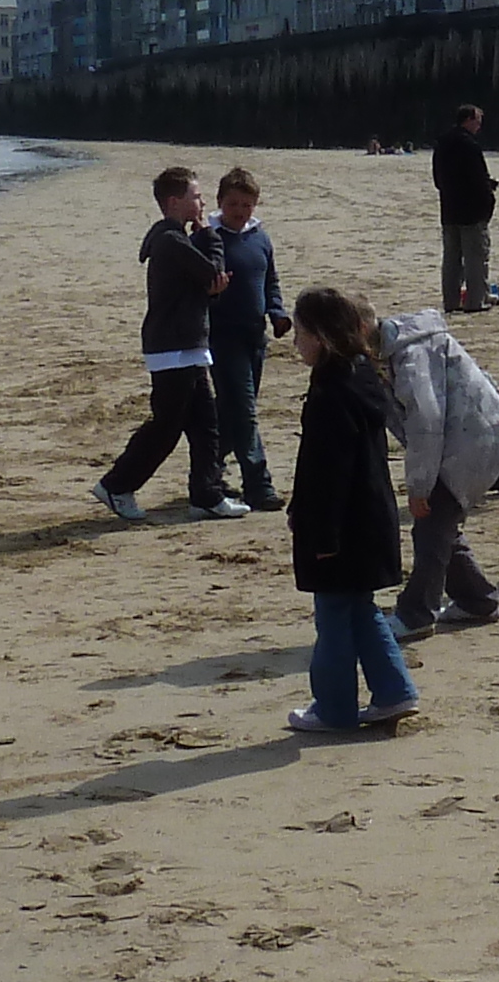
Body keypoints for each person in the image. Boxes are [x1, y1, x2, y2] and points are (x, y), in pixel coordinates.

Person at [283, 287, 416, 732]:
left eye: (299, 332)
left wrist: (321, 536)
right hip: (371, 518)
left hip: (343, 529)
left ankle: (334, 707)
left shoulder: (332, 393)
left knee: (335, 617)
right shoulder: (361, 376)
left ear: (320, 336)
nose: (295, 341)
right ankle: (394, 692)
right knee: (361, 609)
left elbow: (329, 473)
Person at [93, 166, 248, 524]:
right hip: (172, 346)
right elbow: (214, 274)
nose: (202, 202)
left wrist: (211, 281)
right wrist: (209, 234)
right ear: (175, 201)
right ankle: (117, 485)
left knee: (206, 424)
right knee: (166, 426)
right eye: (196, 196)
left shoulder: (174, 239)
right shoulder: (171, 240)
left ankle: (207, 495)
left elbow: (207, 283)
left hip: (186, 343)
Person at [380, 306, 499, 636]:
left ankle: (416, 613)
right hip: (471, 438)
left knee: (430, 528)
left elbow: (426, 425)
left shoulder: (409, 355)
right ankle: (478, 599)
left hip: (468, 445)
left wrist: (419, 487)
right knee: (444, 527)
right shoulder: (411, 343)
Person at [208, 167, 282, 515]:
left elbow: (270, 282)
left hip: (256, 335)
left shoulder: (260, 238)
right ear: (220, 202)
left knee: (231, 411)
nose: (240, 211)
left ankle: (209, 472)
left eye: (247, 204)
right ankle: (259, 484)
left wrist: (277, 312)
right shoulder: (209, 238)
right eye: (234, 203)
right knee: (245, 410)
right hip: (223, 338)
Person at [434, 105, 499, 311]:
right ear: (468, 119)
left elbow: (438, 179)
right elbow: (477, 180)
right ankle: (475, 301)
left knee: (451, 260)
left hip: (449, 209)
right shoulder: (469, 145)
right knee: (476, 258)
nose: (480, 126)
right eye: (478, 121)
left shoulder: (442, 143)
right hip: (472, 211)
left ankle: (451, 302)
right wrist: (489, 199)